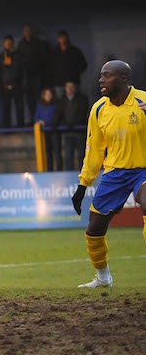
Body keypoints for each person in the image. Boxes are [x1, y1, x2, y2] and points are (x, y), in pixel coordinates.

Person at [70, 60, 146, 288]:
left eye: (107, 76)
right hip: (114, 174)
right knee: (94, 230)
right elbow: (94, 150)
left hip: (143, 170)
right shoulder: (98, 109)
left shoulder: (143, 100)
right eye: (101, 75)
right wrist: (83, 185)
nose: (101, 80)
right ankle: (103, 278)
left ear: (124, 79)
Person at [18, 25, 51, 124]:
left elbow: (44, 59)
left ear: (32, 32)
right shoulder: (21, 44)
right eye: (25, 31)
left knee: (38, 98)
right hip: (26, 77)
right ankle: (32, 119)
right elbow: (19, 61)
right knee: (29, 100)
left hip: (37, 77)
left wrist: (35, 67)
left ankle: (39, 119)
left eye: (29, 31)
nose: (27, 33)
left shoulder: (39, 43)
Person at [58, 82, 89, 171]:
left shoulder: (82, 99)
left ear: (75, 87)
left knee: (81, 155)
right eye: (68, 86)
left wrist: (74, 123)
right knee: (68, 156)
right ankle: (69, 174)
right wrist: (64, 124)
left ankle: (84, 174)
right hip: (68, 132)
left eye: (71, 86)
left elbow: (83, 113)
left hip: (79, 132)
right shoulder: (62, 100)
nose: (70, 89)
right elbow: (59, 114)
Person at [0, 35, 24, 127]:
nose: (8, 44)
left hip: (17, 86)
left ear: (12, 43)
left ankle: (21, 128)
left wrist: (23, 85)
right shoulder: (0, 57)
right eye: (6, 43)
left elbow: (23, 71)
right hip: (5, 87)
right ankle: (6, 129)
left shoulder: (19, 56)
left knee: (19, 108)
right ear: (4, 44)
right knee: (6, 109)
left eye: (10, 43)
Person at [35, 88, 61, 171]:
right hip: (44, 133)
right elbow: (37, 118)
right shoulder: (40, 106)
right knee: (47, 153)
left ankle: (60, 170)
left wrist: (46, 123)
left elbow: (56, 118)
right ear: (43, 96)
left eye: (50, 94)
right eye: (46, 95)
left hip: (54, 131)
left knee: (57, 152)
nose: (48, 96)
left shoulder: (56, 105)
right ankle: (49, 170)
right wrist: (40, 122)